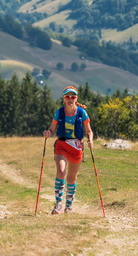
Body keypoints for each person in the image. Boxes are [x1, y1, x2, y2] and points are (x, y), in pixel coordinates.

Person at [43, 86, 93, 214]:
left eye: (73, 96)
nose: (70, 98)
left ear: (76, 98)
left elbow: (89, 131)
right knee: (61, 172)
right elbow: (52, 129)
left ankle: (69, 206)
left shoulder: (82, 113)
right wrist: (48, 133)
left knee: (71, 178)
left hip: (76, 147)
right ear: (64, 99)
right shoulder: (59, 112)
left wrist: (90, 140)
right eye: (67, 96)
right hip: (62, 145)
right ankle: (58, 204)